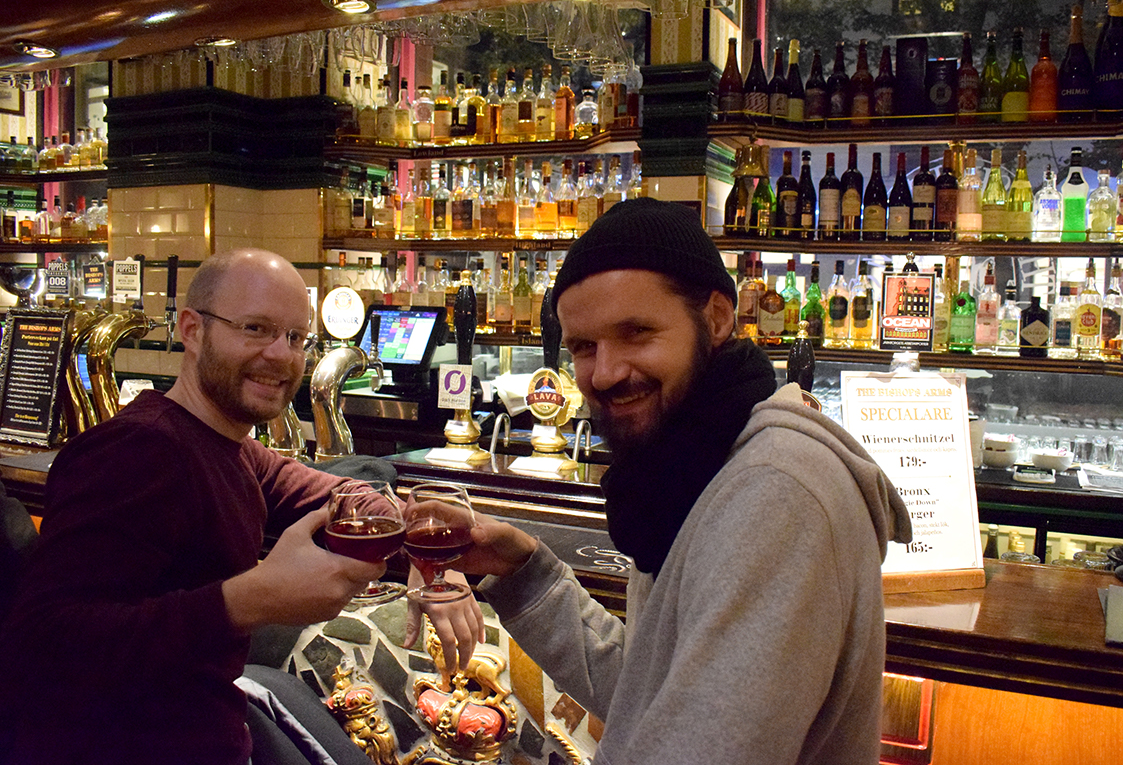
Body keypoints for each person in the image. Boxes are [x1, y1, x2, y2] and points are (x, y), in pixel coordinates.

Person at [452, 198, 913, 765]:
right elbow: (653, 697)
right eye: (584, 347)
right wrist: (525, 573)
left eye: (636, 332)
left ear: (717, 318)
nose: (605, 373)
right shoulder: (688, 464)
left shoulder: (775, 490)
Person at [0, 248, 481, 765]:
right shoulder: (137, 451)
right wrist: (246, 601)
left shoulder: (228, 445)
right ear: (192, 329)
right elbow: (42, 647)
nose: (281, 355)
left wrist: (424, 548)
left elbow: (338, 494)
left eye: (295, 337)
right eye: (255, 329)